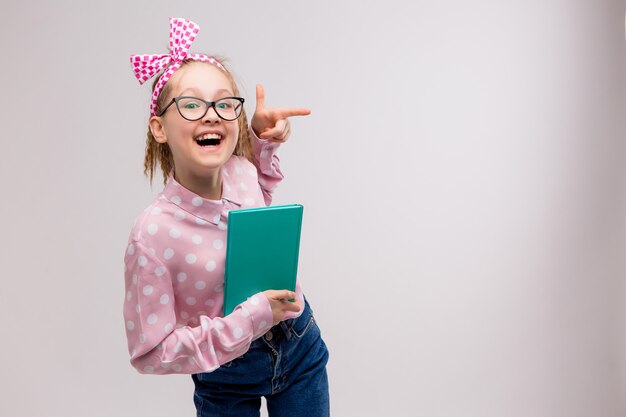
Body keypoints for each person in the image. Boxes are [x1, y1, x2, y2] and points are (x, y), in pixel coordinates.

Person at [123, 17, 330, 417]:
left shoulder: (242, 171)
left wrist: (262, 141)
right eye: (191, 104)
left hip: (299, 342)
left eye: (224, 103)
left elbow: (259, 200)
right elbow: (150, 352)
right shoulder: (151, 234)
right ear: (159, 127)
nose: (212, 114)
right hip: (226, 378)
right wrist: (246, 322)